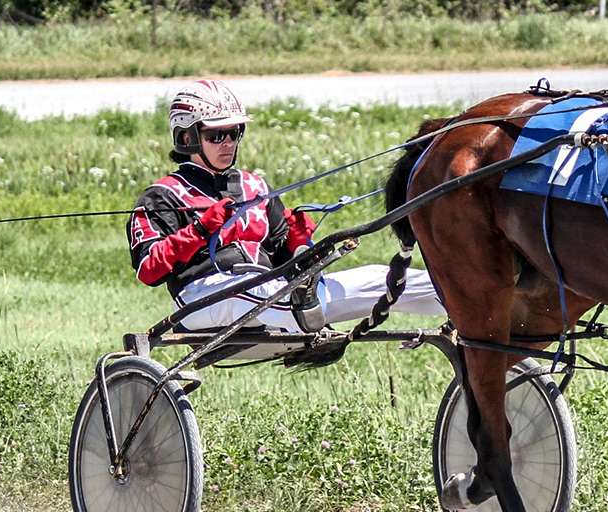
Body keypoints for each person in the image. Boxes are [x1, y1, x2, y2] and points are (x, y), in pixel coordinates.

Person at [129, 79, 442, 331]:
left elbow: (282, 254)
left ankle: (465, 295)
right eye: (217, 134)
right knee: (253, 289)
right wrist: (199, 229)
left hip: (271, 286)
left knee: (375, 277)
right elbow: (148, 270)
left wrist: (299, 241)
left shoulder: (255, 186)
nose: (228, 142)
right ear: (187, 138)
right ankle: (303, 310)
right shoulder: (162, 195)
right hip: (200, 297)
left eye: (235, 132)